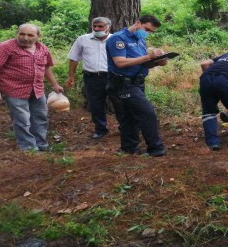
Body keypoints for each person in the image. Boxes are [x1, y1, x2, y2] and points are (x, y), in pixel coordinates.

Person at [0, 24, 64, 151]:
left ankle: (41, 145)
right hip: (13, 90)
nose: (25, 38)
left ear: (38, 36)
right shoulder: (6, 47)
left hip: (37, 90)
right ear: (17, 33)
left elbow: (46, 67)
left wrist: (54, 84)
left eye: (30, 35)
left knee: (40, 118)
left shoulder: (42, 48)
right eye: (22, 34)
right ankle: (29, 148)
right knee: (22, 120)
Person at [106, 15, 168, 157]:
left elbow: (140, 63)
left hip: (137, 82)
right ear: (138, 23)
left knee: (129, 117)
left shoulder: (140, 40)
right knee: (147, 113)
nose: (148, 33)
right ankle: (156, 148)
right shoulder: (118, 39)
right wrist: (149, 57)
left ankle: (128, 148)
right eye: (147, 29)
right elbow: (120, 62)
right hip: (123, 84)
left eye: (151, 32)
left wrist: (157, 62)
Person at [66, 17, 125, 139]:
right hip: (92, 77)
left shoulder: (116, 40)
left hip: (113, 77)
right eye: (95, 26)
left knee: (119, 103)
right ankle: (100, 129)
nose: (97, 29)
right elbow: (74, 58)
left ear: (108, 27)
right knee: (96, 105)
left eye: (100, 26)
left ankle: (124, 127)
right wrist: (71, 76)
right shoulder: (83, 40)